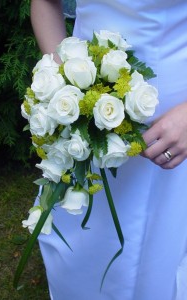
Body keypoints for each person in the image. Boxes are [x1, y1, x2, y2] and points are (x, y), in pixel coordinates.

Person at [30, 1, 187, 299]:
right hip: (84, 114)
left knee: (159, 252)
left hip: (172, 126)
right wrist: (61, 83)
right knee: (82, 242)